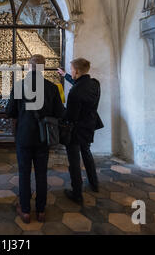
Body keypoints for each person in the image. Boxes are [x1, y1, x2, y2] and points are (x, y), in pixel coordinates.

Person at [6, 55, 66, 224]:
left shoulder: (19, 86)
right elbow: (60, 113)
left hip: (24, 136)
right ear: (43, 68)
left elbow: (9, 111)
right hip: (42, 137)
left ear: (28, 67)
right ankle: (41, 210)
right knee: (41, 173)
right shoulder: (52, 87)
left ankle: (25, 211)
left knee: (24, 173)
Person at [59, 58, 104, 204]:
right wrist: (66, 75)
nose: (71, 71)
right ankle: (94, 183)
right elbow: (81, 86)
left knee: (74, 162)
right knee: (87, 154)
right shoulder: (94, 84)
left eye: (71, 69)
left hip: (76, 130)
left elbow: (70, 116)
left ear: (77, 71)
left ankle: (77, 193)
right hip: (89, 126)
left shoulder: (74, 93)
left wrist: (59, 114)